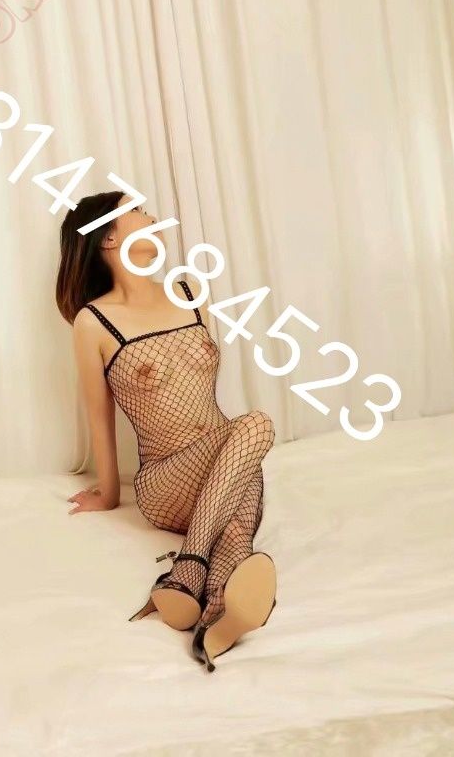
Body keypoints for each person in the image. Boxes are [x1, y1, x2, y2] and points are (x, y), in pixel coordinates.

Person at [56, 190, 277, 671]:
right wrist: (109, 494)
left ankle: (212, 610)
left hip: (229, 468)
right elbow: (99, 417)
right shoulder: (93, 322)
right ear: (107, 237)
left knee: (236, 528)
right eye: (136, 210)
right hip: (165, 481)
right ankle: (193, 562)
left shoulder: (188, 292)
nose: (151, 215)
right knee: (256, 425)